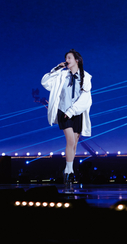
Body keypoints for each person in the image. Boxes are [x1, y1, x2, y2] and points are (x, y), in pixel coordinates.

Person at [41, 49, 92, 186]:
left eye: (69, 58)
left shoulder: (86, 77)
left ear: (77, 60)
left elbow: (86, 98)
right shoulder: (61, 76)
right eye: (66, 58)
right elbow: (45, 83)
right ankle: (69, 172)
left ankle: (68, 169)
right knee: (70, 141)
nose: (67, 60)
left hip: (77, 112)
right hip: (63, 111)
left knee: (74, 143)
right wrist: (57, 68)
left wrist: (73, 110)